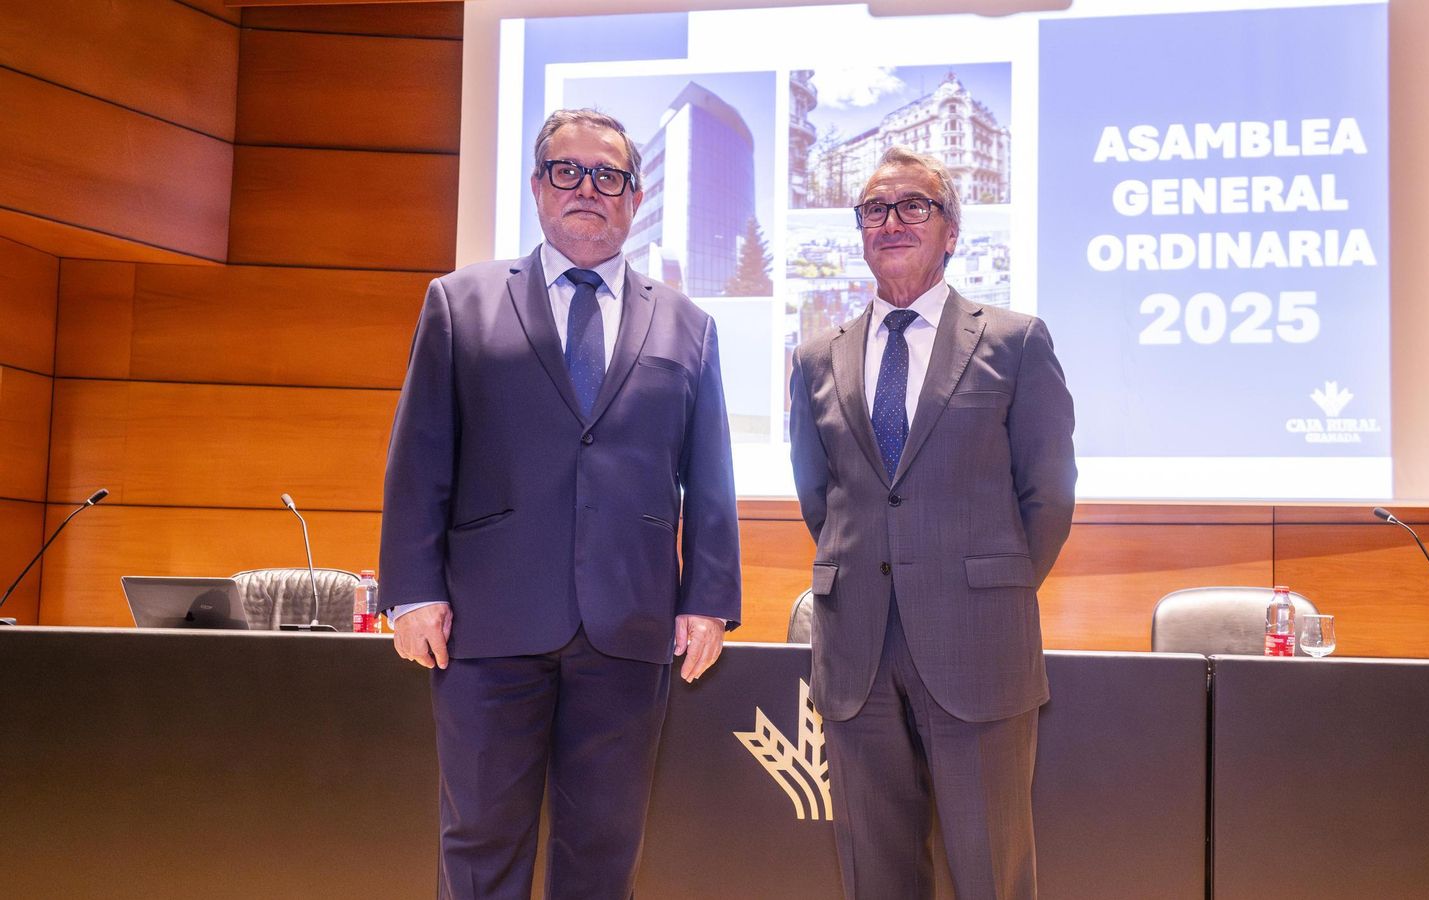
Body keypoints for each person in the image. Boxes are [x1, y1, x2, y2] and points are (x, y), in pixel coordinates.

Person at [380, 108, 741, 899]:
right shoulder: (459, 302)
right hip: (485, 623)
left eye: (608, 176)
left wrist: (709, 598)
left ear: (635, 198)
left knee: (603, 852)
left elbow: (708, 472)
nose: (589, 189)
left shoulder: (689, 324)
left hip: (628, 624)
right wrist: (410, 592)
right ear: (539, 187)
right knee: (479, 845)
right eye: (569, 172)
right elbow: (419, 462)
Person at [788, 146, 1076, 899]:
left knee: (991, 873)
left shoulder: (1014, 343)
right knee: (875, 875)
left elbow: (1047, 495)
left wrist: (986, 588)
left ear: (952, 230)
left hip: (978, 647)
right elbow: (822, 498)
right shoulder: (818, 356)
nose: (892, 221)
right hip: (856, 655)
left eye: (914, 205)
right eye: (876, 209)